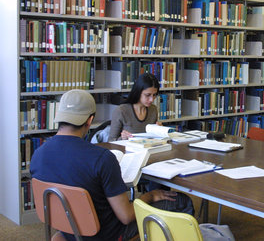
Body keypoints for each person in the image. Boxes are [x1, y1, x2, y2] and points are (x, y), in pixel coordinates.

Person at [30, 89, 194, 241]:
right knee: (182, 201)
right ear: (90, 120)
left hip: (69, 229)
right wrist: (150, 196)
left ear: (59, 116)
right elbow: (126, 216)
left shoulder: (38, 154)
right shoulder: (102, 158)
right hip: (107, 235)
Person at [109, 73, 160, 142]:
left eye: (154, 95)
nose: (152, 99)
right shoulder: (121, 111)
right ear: (138, 92)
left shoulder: (153, 110)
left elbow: (153, 139)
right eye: (147, 95)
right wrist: (123, 139)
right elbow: (110, 141)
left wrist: (160, 132)